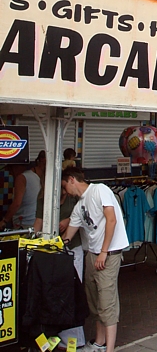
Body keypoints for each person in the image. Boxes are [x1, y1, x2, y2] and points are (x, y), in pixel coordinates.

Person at [61, 167, 129, 352]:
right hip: (92, 253)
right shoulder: (79, 206)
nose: (65, 191)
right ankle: (99, 343)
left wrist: (104, 251)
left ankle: (109, 348)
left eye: (65, 186)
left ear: (71, 179)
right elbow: (69, 234)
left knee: (107, 300)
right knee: (95, 299)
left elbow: (111, 219)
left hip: (108, 253)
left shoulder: (100, 190)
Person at [34, 183, 85, 350]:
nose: (63, 193)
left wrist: (68, 220)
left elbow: (81, 217)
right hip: (51, 251)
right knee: (53, 292)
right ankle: (53, 334)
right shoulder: (43, 201)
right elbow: (38, 224)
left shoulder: (73, 200)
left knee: (72, 290)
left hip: (71, 248)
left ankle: (73, 338)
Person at [0, 150, 46, 230]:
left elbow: (17, 203)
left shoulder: (22, 178)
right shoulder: (45, 176)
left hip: (24, 224)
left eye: (9, 169)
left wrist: (4, 220)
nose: (10, 173)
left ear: (15, 167)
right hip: (41, 223)